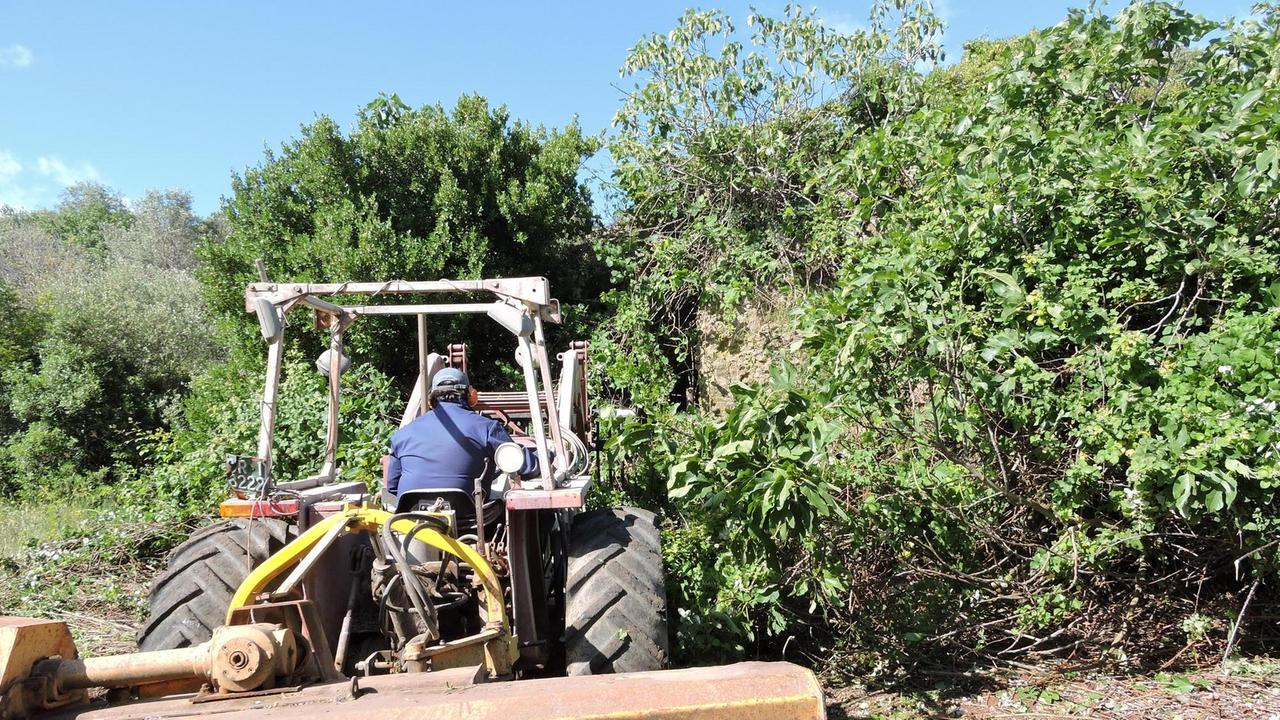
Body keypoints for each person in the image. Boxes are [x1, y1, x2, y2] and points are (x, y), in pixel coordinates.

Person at [385, 367, 539, 501]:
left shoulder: (402, 434)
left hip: (410, 520)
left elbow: (392, 488)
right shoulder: (487, 428)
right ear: (471, 396)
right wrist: (547, 456)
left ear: (431, 401)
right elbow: (527, 467)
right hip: (471, 520)